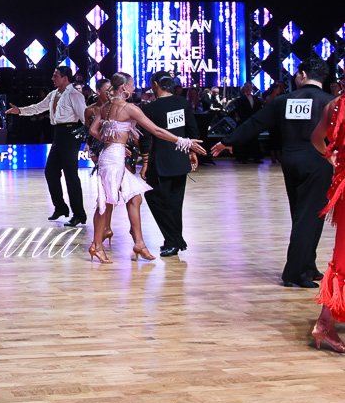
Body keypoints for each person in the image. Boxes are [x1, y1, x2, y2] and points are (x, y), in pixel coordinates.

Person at [212, 59, 335, 288]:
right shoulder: (329, 102)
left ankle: (307, 265)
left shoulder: (283, 101)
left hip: (290, 160)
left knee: (301, 215)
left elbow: (255, 123)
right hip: (317, 161)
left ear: (302, 75)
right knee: (309, 217)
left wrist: (228, 140)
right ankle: (294, 273)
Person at [88, 72, 206, 264]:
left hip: (110, 155)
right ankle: (96, 246)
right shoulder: (129, 108)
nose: (134, 88)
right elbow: (156, 131)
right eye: (132, 84)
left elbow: (93, 130)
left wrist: (112, 142)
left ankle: (139, 244)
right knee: (106, 203)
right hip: (115, 159)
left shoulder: (105, 107)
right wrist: (184, 142)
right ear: (123, 87)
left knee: (134, 198)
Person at [6, 66, 88, 227]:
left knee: (71, 175)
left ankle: (79, 214)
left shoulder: (74, 94)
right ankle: (60, 207)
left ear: (65, 78)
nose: (52, 78)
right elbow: (38, 107)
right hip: (58, 134)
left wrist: (88, 138)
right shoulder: (53, 94)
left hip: (70, 134)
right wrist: (20, 111)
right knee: (50, 172)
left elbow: (84, 116)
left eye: (55, 76)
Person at [140, 71, 200, 257]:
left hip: (160, 162)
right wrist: (192, 152)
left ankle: (174, 240)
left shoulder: (151, 108)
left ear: (155, 84)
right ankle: (173, 241)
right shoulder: (182, 103)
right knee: (175, 203)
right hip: (180, 159)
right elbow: (192, 129)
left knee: (154, 198)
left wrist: (145, 162)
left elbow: (146, 138)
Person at [311, 83, 345, 352]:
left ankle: (325, 322)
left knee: (342, 254)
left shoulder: (334, 105)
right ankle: (324, 322)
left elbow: (316, 138)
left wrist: (331, 157)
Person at [85, 79, 114, 246]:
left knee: (120, 190)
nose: (111, 92)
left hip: (118, 149)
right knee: (105, 190)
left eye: (112, 89)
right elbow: (89, 132)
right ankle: (105, 228)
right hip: (99, 149)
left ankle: (108, 227)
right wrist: (91, 150)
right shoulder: (90, 110)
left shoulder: (118, 107)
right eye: (107, 89)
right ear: (98, 91)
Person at [231, 82, 263, 163]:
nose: (248, 88)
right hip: (244, 122)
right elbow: (239, 111)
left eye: (250, 87)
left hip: (254, 122)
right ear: (244, 88)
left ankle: (256, 157)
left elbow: (259, 110)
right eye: (247, 87)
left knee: (254, 140)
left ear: (252, 88)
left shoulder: (256, 98)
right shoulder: (239, 100)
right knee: (244, 140)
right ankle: (243, 158)